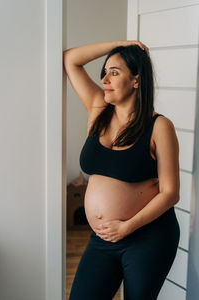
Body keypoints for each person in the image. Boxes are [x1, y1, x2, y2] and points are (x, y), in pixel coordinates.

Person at [63, 40, 180, 300]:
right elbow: (71, 59)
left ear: (136, 80)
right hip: (103, 239)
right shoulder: (98, 109)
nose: (105, 79)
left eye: (114, 73)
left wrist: (127, 227)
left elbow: (171, 193)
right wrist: (122, 44)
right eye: (104, 72)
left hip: (147, 237)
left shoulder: (160, 127)